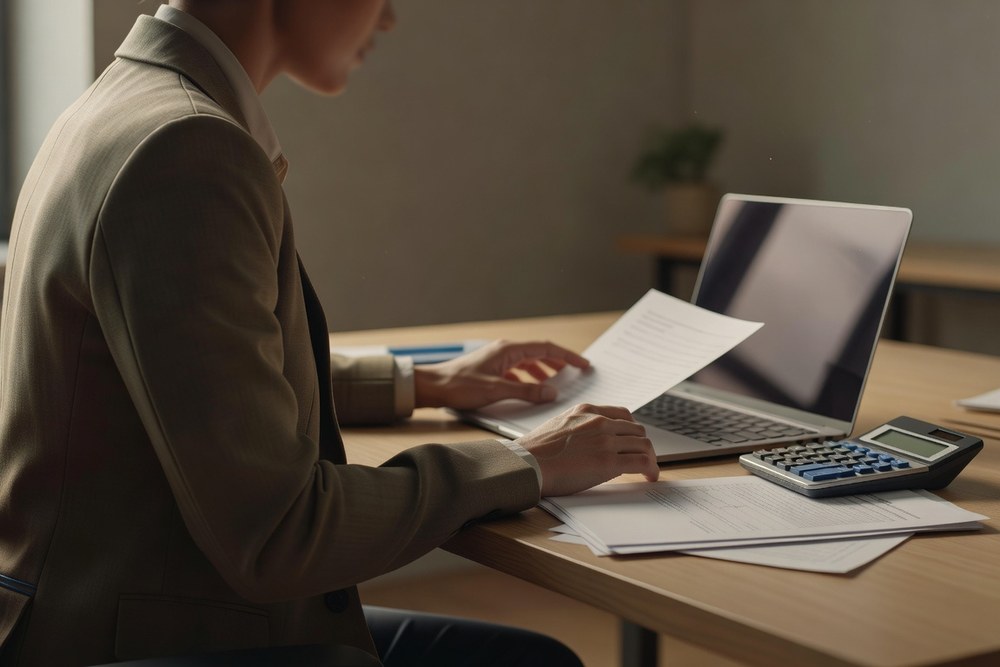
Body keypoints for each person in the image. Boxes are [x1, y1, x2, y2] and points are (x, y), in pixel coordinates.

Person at [0, 1, 659, 665]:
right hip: (134, 637)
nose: (391, 17)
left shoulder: (121, 104)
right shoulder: (186, 148)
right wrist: (528, 463)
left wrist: (426, 382)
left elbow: (203, 382)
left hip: (85, 611)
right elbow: (281, 531)